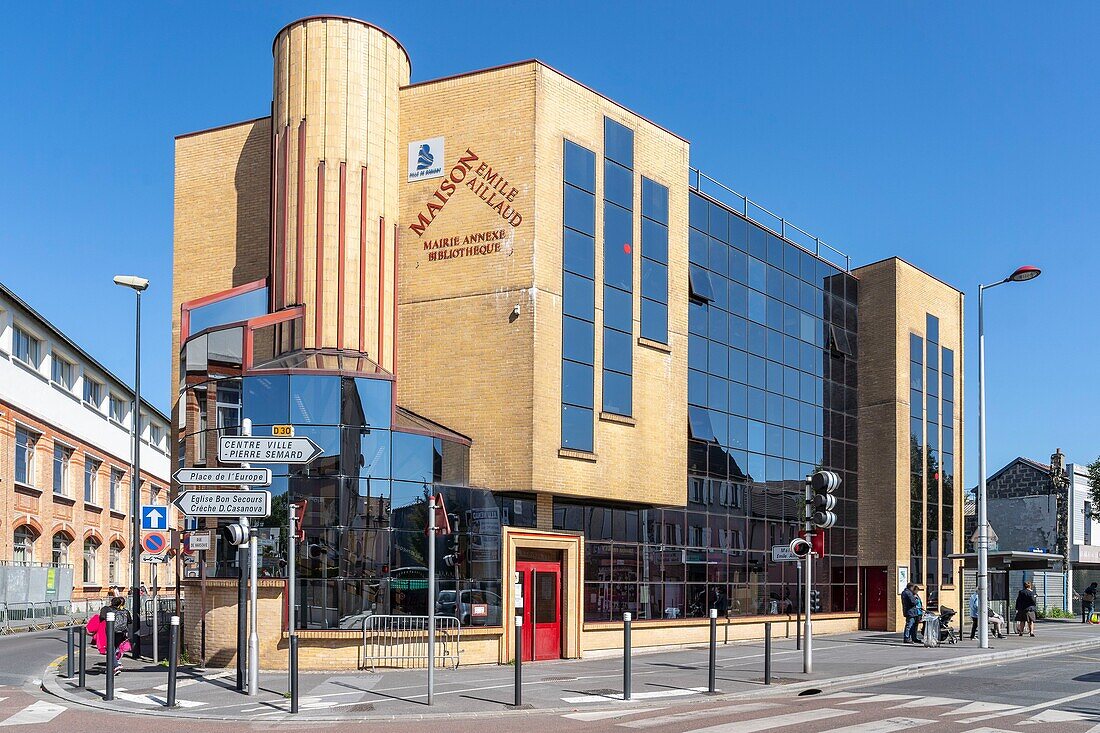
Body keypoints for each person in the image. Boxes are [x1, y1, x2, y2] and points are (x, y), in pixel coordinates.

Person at [86, 596, 131, 675]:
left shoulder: (106, 609)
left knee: (111, 649)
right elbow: (130, 621)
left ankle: (115, 665)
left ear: (111, 602)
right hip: (122, 633)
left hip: (111, 632)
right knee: (116, 648)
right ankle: (114, 665)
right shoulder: (125, 611)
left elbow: (102, 617)